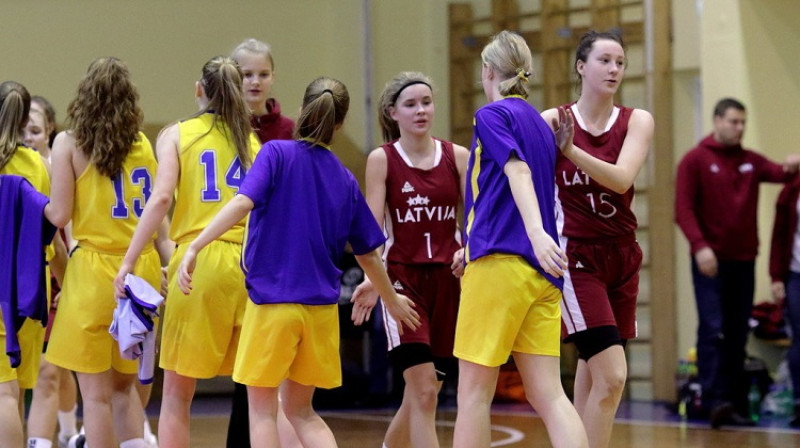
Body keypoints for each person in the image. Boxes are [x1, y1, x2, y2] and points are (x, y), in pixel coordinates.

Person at [176, 76, 420, 448]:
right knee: (303, 412)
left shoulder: (275, 154)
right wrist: (392, 300)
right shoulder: (343, 177)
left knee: (262, 411)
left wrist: (195, 246)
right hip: (320, 315)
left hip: (273, 307)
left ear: (302, 110)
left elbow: (242, 203)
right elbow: (369, 254)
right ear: (340, 124)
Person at [113, 55, 259, 448]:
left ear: (199, 90)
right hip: (250, 264)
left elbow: (160, 200)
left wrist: (129, 260)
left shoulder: (178, 133)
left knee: (178, 394)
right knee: (263, 394)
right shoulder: (252, 140)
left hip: (199, 261)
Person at [451, 30, 588, 448]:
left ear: (487, 71)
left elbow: (518, 173)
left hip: (501, 264)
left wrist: (536, 234)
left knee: (473, 394)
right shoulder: (541, 126)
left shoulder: (492, 116)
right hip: (542, 275)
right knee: (549, 394)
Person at [540, 30, 653, 448]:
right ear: (581, 66)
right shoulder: (553, 121)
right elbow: (520, 181)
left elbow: (621, 178)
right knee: (613, 377)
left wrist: (571, 153)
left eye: (620, 62)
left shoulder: (636, 120)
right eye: (605, 60)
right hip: (577, 259)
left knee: (592, 375)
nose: (614, 69)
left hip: (623, 256)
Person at [44, 57, 159, 448]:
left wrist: (29, 202)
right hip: (139, 269)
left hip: (94, 273)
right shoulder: (142, 143)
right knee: (124, 388)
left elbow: (58, 213)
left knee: (94, 396)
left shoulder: (69, 142)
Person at [350, 71, 468, 448]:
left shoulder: (458, 157)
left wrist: (470, 248)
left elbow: (479, 217)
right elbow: (373, 231)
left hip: (449, 283)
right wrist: (373, 279)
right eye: (411, 104)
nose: (421, 111)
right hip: (403, 283)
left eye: (426, 103)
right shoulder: (381, 160)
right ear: (392, 112)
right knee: (423, 393)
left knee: (423, 392)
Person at [676, 97, 800, 428]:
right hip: (710, 263)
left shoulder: (750, 161)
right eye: (733, 121)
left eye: (743, 122)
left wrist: (793, 162)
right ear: (717, 121)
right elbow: (683, 209)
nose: (739, 127)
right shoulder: (695, 160)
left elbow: (782, 173)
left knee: (736, 333)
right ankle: (712, 400)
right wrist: (700, 247)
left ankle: (732, 403)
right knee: (713, 329)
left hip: (743, 261)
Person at [228, 38, 297, 448]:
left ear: (273, 77)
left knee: (260, 368)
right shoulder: (219, 126)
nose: (255, 82)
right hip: (227, 251)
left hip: (272, 259)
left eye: (262, 74)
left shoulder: (288, 132)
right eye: (246, 74)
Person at [0, 80, 63, 448]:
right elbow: (53, 233)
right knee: (18, 390)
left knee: (4, 394)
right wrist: (65, 284)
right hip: (31, 287)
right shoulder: (39, 165)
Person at [21, 95, 80, 448]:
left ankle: (68, 431)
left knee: (55, 367)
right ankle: (58, 434)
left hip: (56, 274)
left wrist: (72, 275)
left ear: (49, 131)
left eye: (35, 129)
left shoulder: (56, 169)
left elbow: (66, 230)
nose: (28, 136)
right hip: (28, 277)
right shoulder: (13, 167)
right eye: (23, 129)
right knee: (47, 370)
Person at [768, 175, 800, 427]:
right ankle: (799, 401)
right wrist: (776, 276)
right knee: (798, 339)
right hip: (795, 273)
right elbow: (779, 235)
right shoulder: (791, 190)